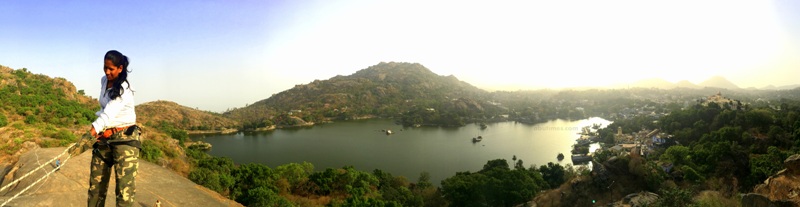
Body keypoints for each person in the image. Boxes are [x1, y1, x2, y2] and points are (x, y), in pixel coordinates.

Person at [87, 50, 142, 207]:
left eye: (111, 69)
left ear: (120, 68)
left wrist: (88, 135)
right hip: (105, 137)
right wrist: (97, 132)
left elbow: (107, 115)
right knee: (95, 189)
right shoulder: (104, 80)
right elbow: (103, 110)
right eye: (105, 67)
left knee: (124, 194)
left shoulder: (123, 89)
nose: (107, 72)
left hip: (125, 140)